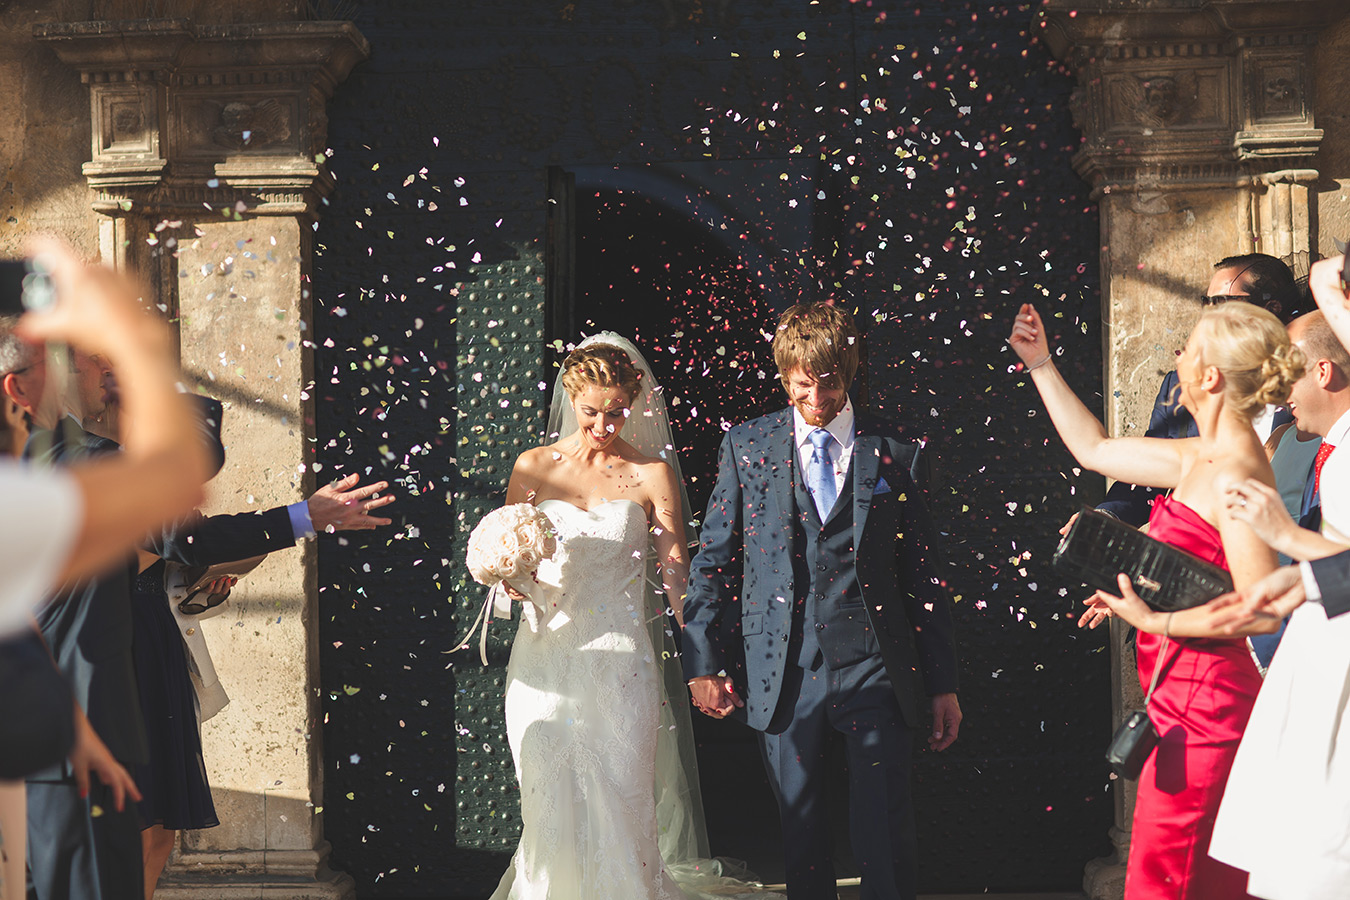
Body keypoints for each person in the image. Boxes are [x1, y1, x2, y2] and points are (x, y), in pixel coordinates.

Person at [1008, 298, 1301, 898]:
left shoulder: (1237, 470)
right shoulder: (1201, 456)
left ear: (1210, 376)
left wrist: (1155, 619)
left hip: (1208, 709)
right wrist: (1041, 365)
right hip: (1176, 701)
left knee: (1166, 882)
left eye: (1187, 347)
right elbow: (1093, 448)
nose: (1176, 357)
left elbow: (1265, 603)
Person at [682, 302, 961, 900]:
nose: (814, 395)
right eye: (801, 382)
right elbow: (713, 560)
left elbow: (922, 576)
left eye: (828, 381)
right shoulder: (747, 446)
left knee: (883, 827)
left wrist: (943, 682)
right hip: (784, 669)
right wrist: (703, 661)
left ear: (850, 372)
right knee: (800, 831)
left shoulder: (896, 453)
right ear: (784, 377)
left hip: (876, 664)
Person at [489, 335, 763, 900]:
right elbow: (505, 556)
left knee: (622, 793)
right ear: (571, 399)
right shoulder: (533, 467)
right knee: (545, 794)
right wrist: (507, 583)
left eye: (617, 413)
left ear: (635, 403)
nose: (604, 425)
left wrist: (705, 663)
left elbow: (678, 581)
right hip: (544, 659)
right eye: (592, 412)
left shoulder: (651, 475)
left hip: (622, 663)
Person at [1202, 253, 1350, 898]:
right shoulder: (1328, 445)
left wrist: (1289, 542)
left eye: (1292, 371)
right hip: (1315, 648)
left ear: (1324, 368)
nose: (1281, 389)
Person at [1098, 253, 1301, 526]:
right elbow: (1148, 469)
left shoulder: (1304, 384)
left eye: (1223, 303)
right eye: (1207, 303)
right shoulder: (1183, 383)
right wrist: (1107, 515)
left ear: (1271, 308)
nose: (1210, 316)